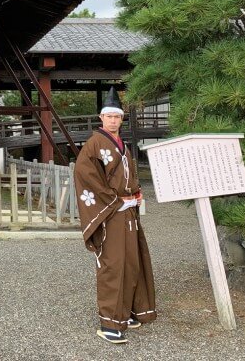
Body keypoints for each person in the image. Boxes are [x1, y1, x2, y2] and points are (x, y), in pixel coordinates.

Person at [73, 87, 156, 344]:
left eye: (117, 116)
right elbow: (85, 177)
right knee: (113, 265)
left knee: (132, 262)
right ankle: (110, 322)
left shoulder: (122, 145)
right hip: (111, 214)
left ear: (121, 119)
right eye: (108, 116)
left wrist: (136, 194)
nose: (112, 120)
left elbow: (129, 177)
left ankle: (126, 313)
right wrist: (113, 201)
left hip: (128, 212)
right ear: (101, 118)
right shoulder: (94, 145)